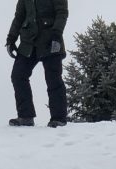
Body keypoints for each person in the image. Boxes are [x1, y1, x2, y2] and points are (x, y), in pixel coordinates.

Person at [6, 0, 69, 128]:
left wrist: (57, 34)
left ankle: (59, 119)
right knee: (18, 75)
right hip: (28, 43)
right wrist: (11, 39)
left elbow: (62, 12)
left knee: (53, 79)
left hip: (50, 40)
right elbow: (19, 16)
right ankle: (25, 116)